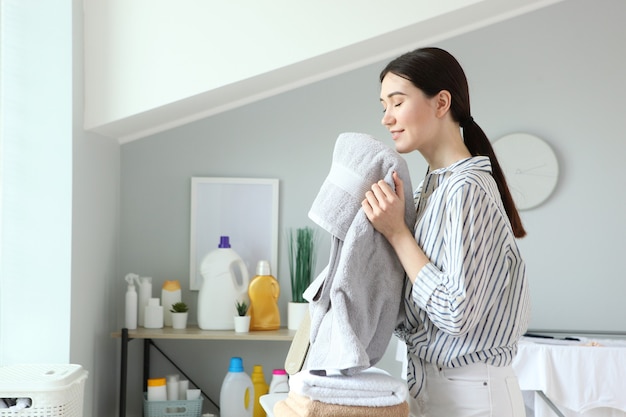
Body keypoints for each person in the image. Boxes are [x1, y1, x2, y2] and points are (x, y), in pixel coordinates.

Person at [362, 47, 530, 417]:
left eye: (397, 102)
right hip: (435, 386)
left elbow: (455, 312)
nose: (386, 118)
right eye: (383, 106)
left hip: (472, 395)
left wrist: (398, 234)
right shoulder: (430, 190)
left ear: (441, 103)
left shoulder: (465, 188)